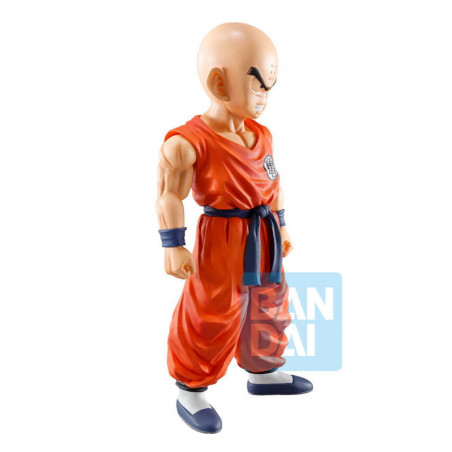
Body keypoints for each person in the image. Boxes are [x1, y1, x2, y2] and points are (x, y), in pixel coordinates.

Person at [156, 22, 313, 434]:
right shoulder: (186, 143)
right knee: (213, 310)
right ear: (219, 84)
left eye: (270, 88)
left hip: (265, 234)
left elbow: (273, 183)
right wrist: (173, 245)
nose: (264, 97)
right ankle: (191, 388)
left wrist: (281, 225)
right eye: (258, 85)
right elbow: (169, 195)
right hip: (221, 238)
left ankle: (263, 371)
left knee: (270, 301)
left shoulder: (262, 136)